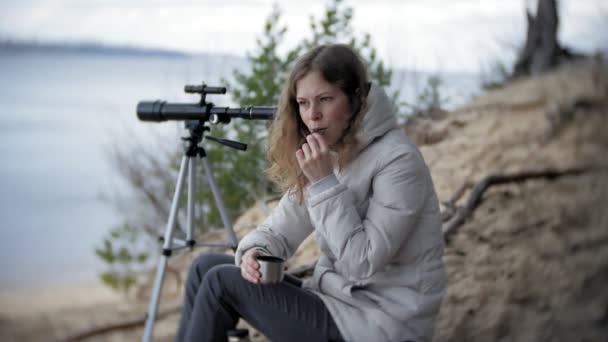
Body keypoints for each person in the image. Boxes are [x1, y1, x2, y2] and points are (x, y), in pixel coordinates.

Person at [176, 44, 447, 342]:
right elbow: (280, 229)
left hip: (380, 323)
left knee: (220, 284)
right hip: (337, 302)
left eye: (325, 99)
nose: (313, 115)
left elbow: (363, 264)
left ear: (356, 99)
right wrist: (256, 251)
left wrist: (324, 184)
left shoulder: (398, 161)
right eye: (303, 103)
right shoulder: (331, 151)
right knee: (206, 266)